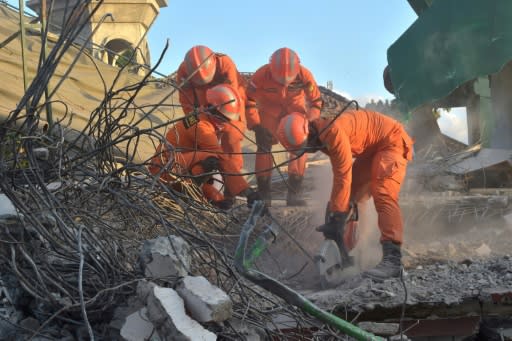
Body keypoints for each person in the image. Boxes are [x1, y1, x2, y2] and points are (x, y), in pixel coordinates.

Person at [276, 109, 414, 281]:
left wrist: (337, 218)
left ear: (309, 133)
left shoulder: (333, 132)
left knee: (383, 192)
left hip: (392, 141)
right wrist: (336, 218)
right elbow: (344, 185)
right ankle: (346, 251)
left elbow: (343, 175)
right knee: (350, 198)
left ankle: (393, 260)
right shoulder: (320, 133)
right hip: (372, 149)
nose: (309, 151)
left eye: (306, 147)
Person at [149, 83, 261, 209]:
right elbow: (221, 158)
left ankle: (211, 199)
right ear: (212, 109)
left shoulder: (201, 118)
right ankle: (185, 195)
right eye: (224, 118)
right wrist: (247, 192)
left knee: (210, 166)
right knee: (212, 159)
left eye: (228, 119)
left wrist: (218, 199)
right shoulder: (201, 126)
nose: (226, 122)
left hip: (176, 167)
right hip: (162, 172)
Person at [245, 47, 323, 206]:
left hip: (295, 115)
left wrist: (309, 123)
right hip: (269, 115)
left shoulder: (305, 75)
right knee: (264, 148)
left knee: (298, 150)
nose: (284, 81)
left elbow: (316, 103)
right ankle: (264, 195)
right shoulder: (261, 75)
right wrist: (256, 125)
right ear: (271, 69)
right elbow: (248, 101)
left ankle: (294, 194)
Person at [176, 45, 247, 201]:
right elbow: (186, 103)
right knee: (206, 152)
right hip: (203, 109)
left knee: (231, 134)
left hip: (226, 103)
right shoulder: (183, 72)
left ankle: (230, 185)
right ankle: (206, 189)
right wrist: (198, 125)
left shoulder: (225, 64)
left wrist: (220, 120)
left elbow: (231, 97)